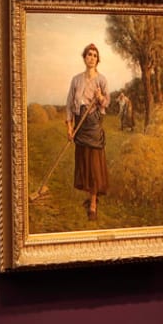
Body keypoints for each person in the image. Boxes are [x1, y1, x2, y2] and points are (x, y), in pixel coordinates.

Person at [66, 43, 111, 219]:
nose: (91, 58)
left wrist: (100, 97)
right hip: (80, 124)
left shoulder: (102, 80)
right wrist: (70, 127)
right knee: (84, 162)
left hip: (93, 124)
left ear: (97, 59)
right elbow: (70, 104)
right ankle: (90, 196)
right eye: (89, 54)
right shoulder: (76, 80)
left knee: (93, 164)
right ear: (84, 58)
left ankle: (93, 204)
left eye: (94, 55)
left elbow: (107, 102)